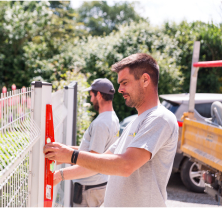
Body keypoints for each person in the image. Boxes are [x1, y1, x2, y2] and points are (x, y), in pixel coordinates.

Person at [44, 53, 178, 207]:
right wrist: (60, 172)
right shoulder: (136, 122)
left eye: (125, 82)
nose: (120, 90)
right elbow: (102, 160)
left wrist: (71, 155)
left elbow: (125, 165)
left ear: (145, 80)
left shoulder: (160, 118)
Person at [55, 78, 120, 207]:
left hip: (89, 190)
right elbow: (94, 151)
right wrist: (65, 151)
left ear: (99, 95)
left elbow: (92, 163)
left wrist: (59, 175)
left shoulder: (100, 124)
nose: (91, 100)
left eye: (91, 96)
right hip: (98, 186)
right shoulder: (113, 118)